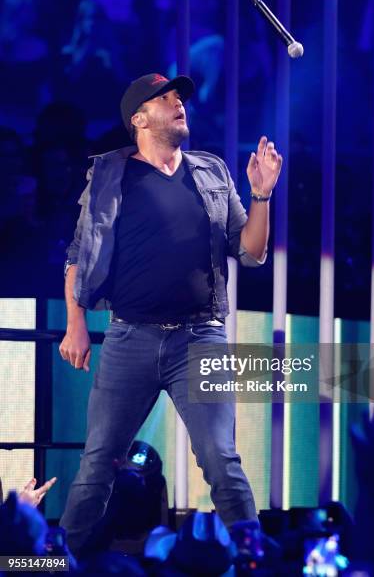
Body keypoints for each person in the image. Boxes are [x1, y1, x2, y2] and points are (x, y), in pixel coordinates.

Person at [58, 72, 282, 556]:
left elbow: (251, 252)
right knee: (98, 463)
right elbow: (78, 254)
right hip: (129, 339)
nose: (178, 103)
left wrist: (262, 194)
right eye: (165, 98)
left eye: (179, 97)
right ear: (139, 118)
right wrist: (76, 324)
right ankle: (49, 564)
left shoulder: (211, 171)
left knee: (222, 460)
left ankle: (255, 561)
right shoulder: (109, 176)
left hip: (200, 339)